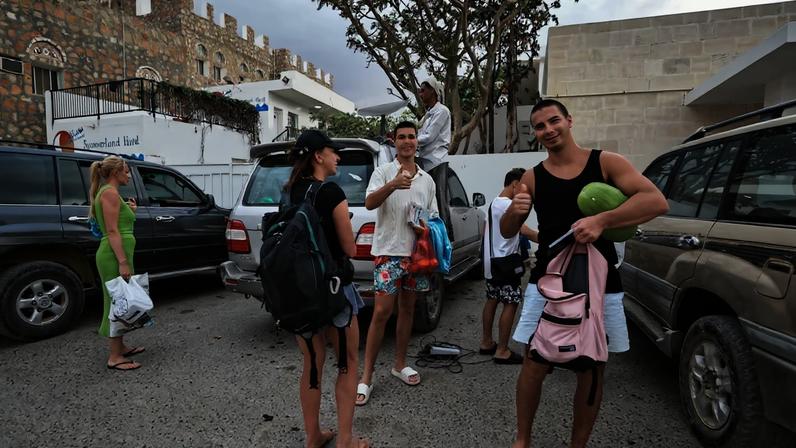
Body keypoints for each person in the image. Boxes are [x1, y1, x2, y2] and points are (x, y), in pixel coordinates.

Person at [501, 99, 668, 448]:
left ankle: (578, 444)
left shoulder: (605, 162)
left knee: (591, 367)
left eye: (554, 121)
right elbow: (507, 231)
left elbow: (655, 201)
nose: (548, 130)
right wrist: (515, 213)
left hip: (600, 282)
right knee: (534, 363)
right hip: (548, 282)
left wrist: (602, 220)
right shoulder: (533, 176)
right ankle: (522, 439)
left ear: (569, 121)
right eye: (540, 126)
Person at [285, 130, 369, 448]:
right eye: (333, 152)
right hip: (333, 291)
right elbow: (348, 248)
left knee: (312, 363)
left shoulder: (290, 191)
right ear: (318, 156)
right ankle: (345, 440)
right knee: (347, 361)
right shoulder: (330, 191)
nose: (338, 157)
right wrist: (343, 223)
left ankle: (313, 437)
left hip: (298, 291)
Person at [356, 121, 438, 406]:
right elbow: (368, 204)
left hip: (415, 255)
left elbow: (433, 218)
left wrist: (423, 228)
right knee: (381, 313)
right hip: (389, 253)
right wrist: (392, 185)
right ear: (394, 142)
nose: (407, 141)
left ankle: (399, 364)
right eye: (401, 137)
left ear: (417, 142)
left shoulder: (427, 180)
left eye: (411, 137)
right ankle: (366, 376)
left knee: (408, 310)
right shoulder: (383, 172)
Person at [90, 155, 144, 371]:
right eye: (126, 171)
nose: (129, 175)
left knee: (119, 299)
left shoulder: (111, 193)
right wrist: (122, 262)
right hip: (114, 256)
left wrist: (131, 212)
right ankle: (114, 357)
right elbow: (112, 231)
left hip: (117, 253)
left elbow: (119, 224)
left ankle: (120, 347)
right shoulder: (110, 193)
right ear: (115, 173)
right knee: (116, 302)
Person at [480, 168, 538, 365]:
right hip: (506, 262)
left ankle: (487, 342)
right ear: (515, 184)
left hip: (491, 261)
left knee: (492, 300)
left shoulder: (494, 203)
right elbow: (522, 229)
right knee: (511, 302)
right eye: (522, 187)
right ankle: (502, 350)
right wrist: (543, 237)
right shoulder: (507, 204)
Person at [416, 77, 452, 237]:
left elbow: (429, 137)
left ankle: (446, 238)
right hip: (425, 162)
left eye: (423, 90)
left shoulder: (442, 111)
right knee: (426, 203)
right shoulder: (428, 114)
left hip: (436, 161)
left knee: (439, 200)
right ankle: (430, 237)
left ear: (433, 91)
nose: (420, 93)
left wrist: (409, 141)